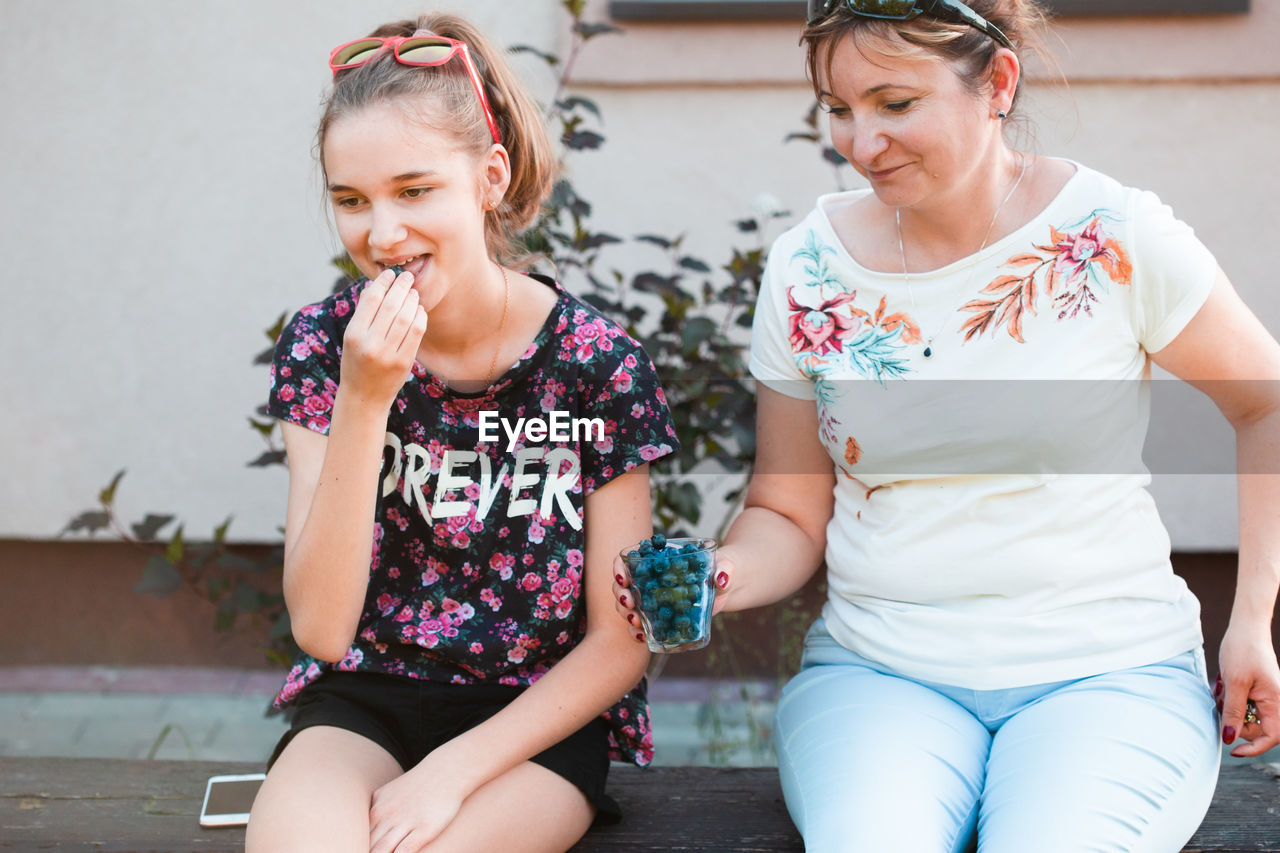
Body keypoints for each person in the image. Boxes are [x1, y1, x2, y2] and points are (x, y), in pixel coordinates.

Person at [613, 1, 1280, 850]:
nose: (861, 143)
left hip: (1107, 673)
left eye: (895, 104)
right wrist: (723, 573)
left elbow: (1265, 400)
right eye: (839, 109)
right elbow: (787, 507)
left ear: (997, 82)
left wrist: (1252, 617)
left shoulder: (1112, 234)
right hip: (880, 675)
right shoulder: (808, 268)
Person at [246, 13, 678, 853]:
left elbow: (620, 644)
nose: (381, 233)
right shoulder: (323, 345)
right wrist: (365, 399)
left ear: (488, 177)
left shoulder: (597, 363)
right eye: (350, 199)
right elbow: (323, 630)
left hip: (535, 716)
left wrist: (450, 772)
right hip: (364, 696)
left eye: (414, 191)